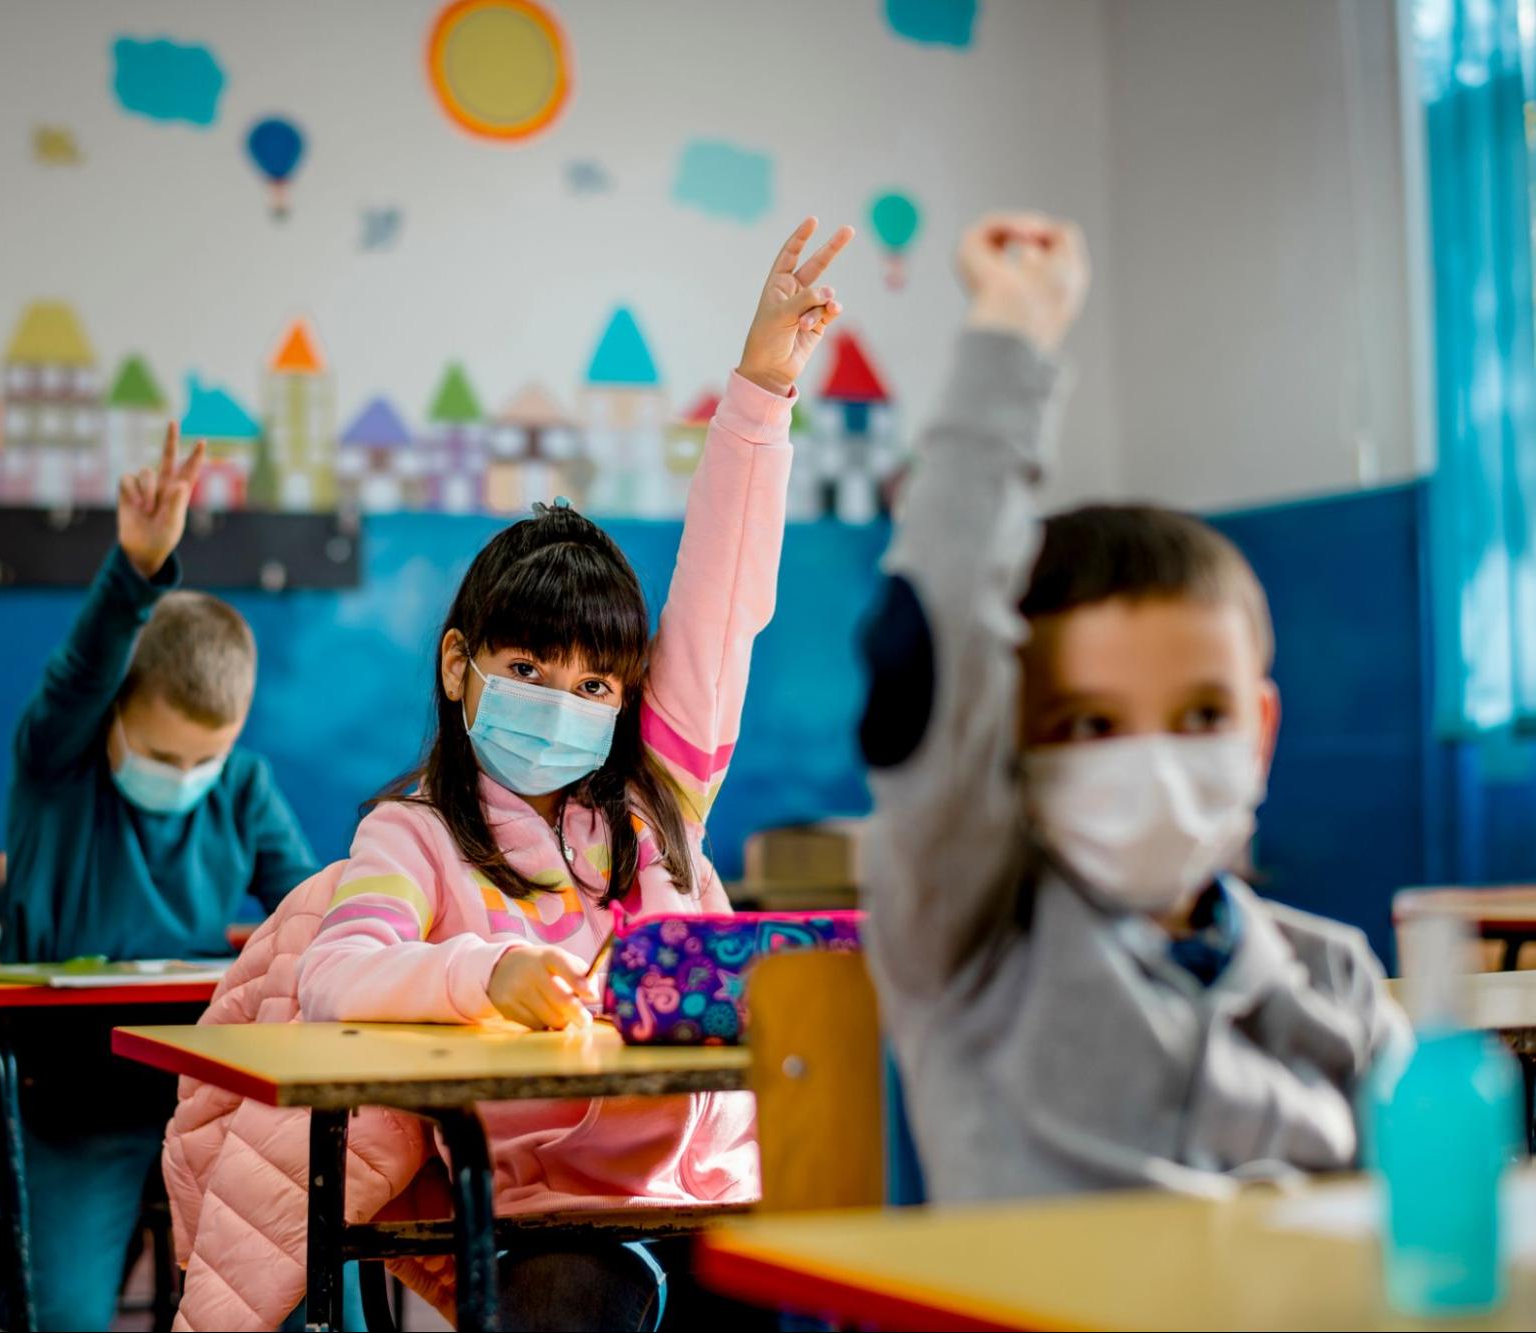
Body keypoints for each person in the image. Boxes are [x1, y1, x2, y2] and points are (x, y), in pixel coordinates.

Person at [291, 217, 853, 1331]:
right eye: (527, 666)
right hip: (543, 1216)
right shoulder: (412, 839)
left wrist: (760, 391)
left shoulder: (654, 801)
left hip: (709, 1191)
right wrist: (479, 975)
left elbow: (721, 604)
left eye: (597, 683)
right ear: (459, 666)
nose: (564, 699)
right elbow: (335, 977)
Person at [857, 211, 1411, 1203]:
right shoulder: (974, 941)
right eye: (1088, 724)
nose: (1152, 758)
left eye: (1201, 715)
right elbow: (932, 639)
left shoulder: (1337, 983)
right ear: (1005, 745)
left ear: (1262, 732)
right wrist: (1012, 335)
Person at [1, 430, 319, 1331]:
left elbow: (304, 904)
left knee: (282, 1290)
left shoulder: (244, 786)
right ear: (115, 715)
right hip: (72, 1098)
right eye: (159, 750)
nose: (183, 775)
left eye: (203, 758)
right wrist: (137, 569)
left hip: (209, 1093)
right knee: (61, 1316)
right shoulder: (57, 766)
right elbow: (76, 675)